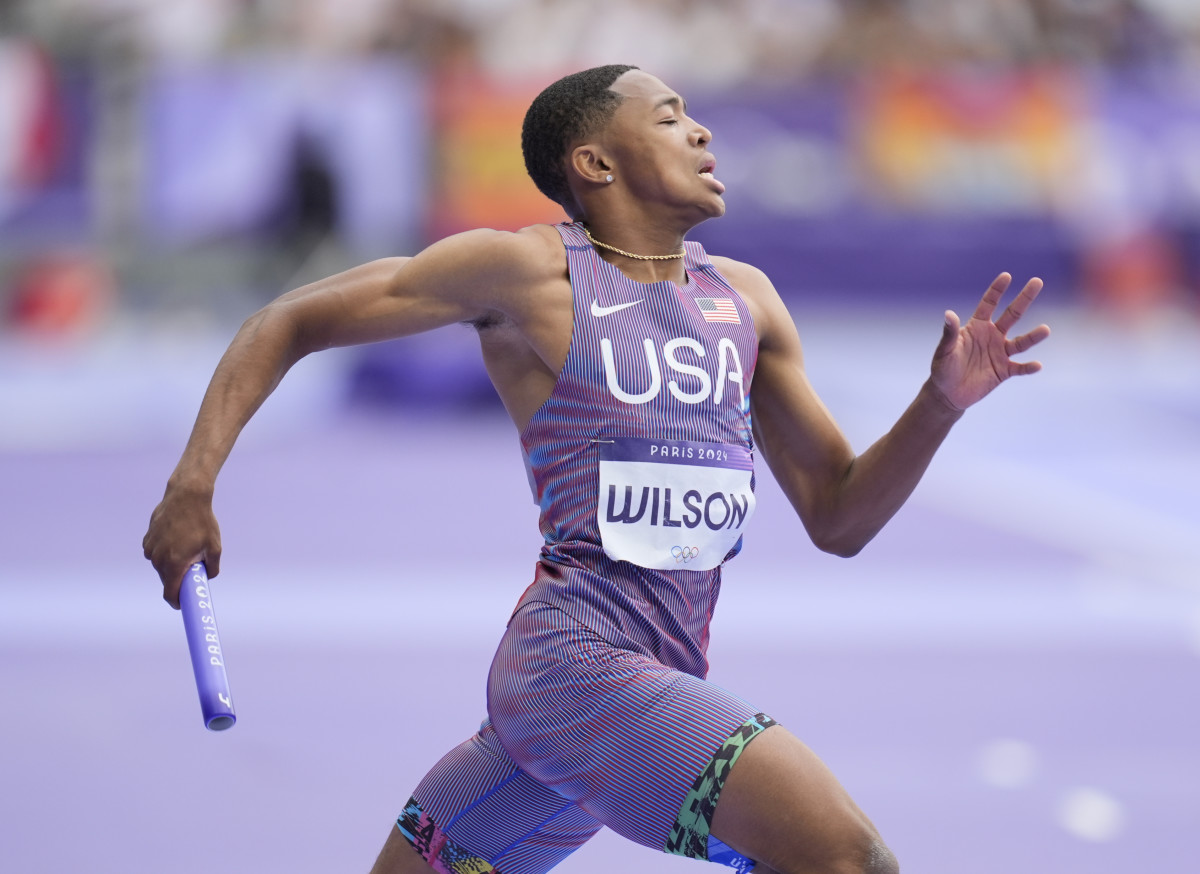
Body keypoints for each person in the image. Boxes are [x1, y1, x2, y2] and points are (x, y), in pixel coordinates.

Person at [143, 65, 1050, 874]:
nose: (700, 131)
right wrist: (193, 482)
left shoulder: (745, 302)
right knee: (847, 861)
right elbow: (290, 320)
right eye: (668, 117)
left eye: (694, 115)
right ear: (596, 163)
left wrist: (940, 405)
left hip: (645, 682)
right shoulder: (529, 273)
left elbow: (839, 515)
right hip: (576, 666)